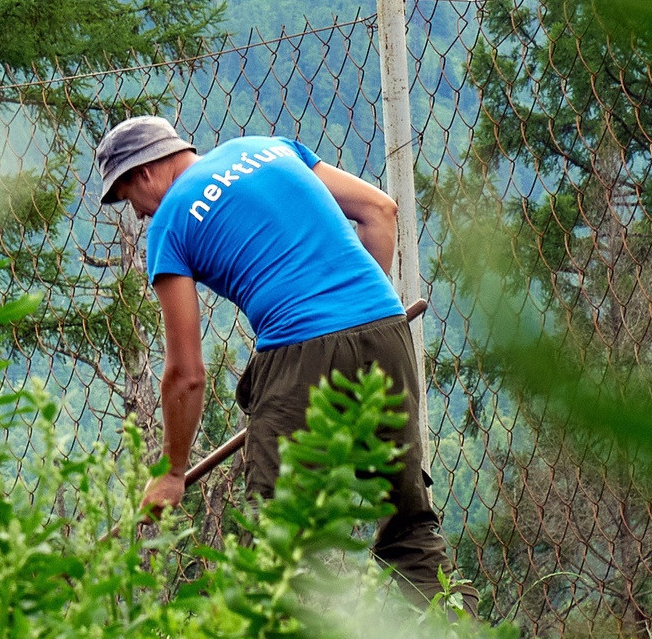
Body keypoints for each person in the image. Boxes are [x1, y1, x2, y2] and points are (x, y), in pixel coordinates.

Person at [94, 114, 450, 594]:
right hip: (385, 328)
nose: (138, 215)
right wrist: (358, 320)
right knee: (408, 527)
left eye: (127, 200)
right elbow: (380, 210)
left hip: (300, 349)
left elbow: (186, 374)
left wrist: (172, 472)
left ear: (143, 173)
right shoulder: (271, 146)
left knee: (284, 543)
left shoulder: (171, 224)